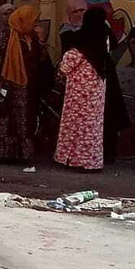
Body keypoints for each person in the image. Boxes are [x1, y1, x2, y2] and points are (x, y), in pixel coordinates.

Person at [0, 3, 52, 164]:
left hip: (28, 87)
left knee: (25, 122)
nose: (35, 23)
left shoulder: (32, 37)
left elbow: (42, 60)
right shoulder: (4, 36)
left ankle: (23, 155)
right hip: (8, 86)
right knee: (5, 122)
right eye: (33, 20)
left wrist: (41, 41)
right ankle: (3, 155)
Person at [55, 9, 115, 171]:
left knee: (76, 125)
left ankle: (76, 160)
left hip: (78, 93)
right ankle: (92, 161)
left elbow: (67, 63)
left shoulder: (83, 39)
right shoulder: (104, 36)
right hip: (96, 90)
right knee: (92, 127)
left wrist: (61, 68)